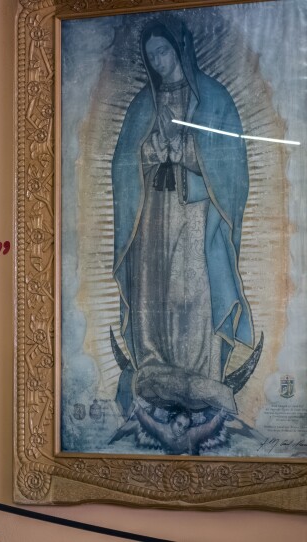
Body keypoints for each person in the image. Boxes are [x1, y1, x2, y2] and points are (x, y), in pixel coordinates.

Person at [111, 17, 254, 419]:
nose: (158, 61)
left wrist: (188, 153)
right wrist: (148, 155)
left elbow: (232, 168)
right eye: (151, 55)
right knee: (155, 290)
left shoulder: (213, 100)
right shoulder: (144, 105)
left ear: (180, 49)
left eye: (164, 52)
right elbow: (123, 163)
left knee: (192, 290)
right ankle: (154, 365)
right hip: (153, 214)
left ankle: (199, 373)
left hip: (196, 215)